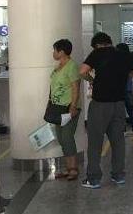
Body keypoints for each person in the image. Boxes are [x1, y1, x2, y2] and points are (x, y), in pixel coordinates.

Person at [79, 32, 133, 189]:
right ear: (110, 42)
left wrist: (93, 80)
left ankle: (93, 179)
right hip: (119, 104)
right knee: (118, 141)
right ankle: (118, 175)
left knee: (95, 142)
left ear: (97, 45)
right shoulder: (124, 55)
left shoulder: (97, 53)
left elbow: (82, 71)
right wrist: (121, 75)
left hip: (100, 104)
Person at [50, 39, 81, 181]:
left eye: (55, 50)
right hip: (57, 107)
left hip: (69, 107)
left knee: (67, 138)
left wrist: (73, 106)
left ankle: (73, 168)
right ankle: (68, 167)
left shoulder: (71, 66)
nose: (53, 53)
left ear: (61, 52)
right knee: (61, 138)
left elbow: (75, 87)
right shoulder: (58, 67)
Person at [116, 43, 133, 133]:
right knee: (130, 109)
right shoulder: (129, 60)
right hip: (128, 88)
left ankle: (123, 129)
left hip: (118, 89)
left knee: (120, 110)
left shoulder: (116, 61)